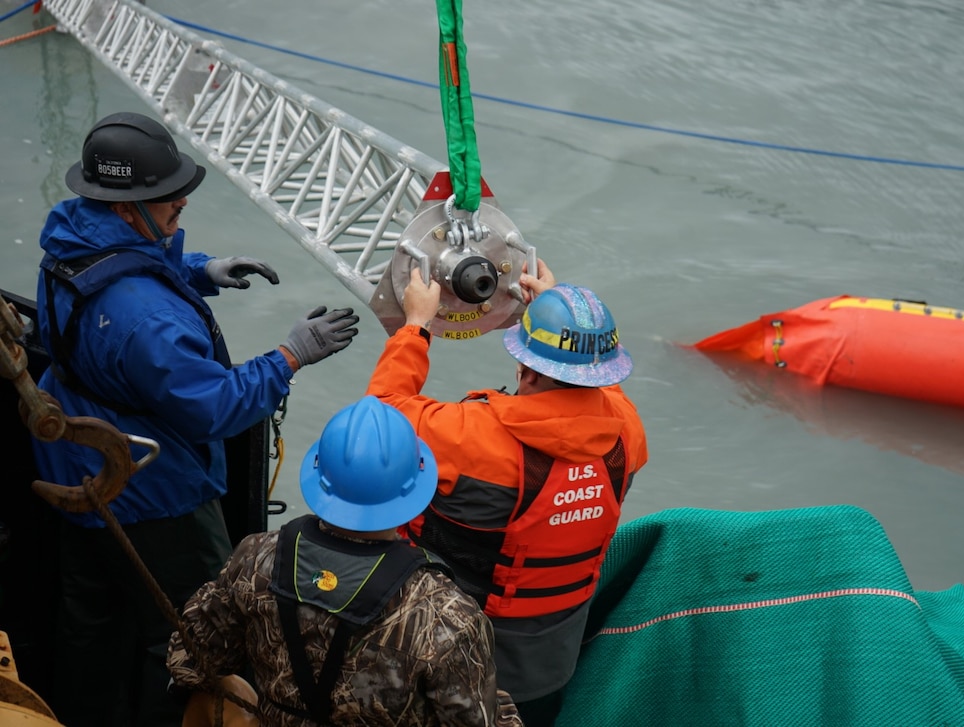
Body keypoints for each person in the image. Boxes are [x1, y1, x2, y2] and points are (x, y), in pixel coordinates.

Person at [31, 111, 360, 727]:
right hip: (150, 492)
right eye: (172, 207)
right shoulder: (149, 323)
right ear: (129, 209)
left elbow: (119, 271)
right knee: (193, 634)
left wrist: (199, 270)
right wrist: (291, 355)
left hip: (75, 467)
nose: (181, 206)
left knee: (91, 616)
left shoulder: (69, 235)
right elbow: (214, 408)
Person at [365, 260, 649, 726]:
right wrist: (560, 313)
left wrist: (415, 326)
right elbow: (605, 391)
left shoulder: (471, 436)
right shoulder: (627, 437)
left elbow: (380, 417)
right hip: (549, 667)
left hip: (449, 658)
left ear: (527, 371)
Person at [166, 396, 524, 727]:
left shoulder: (255, 558)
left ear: (320, 479)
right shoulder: (444, 614)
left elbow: (192, 660)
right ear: (413, 489)